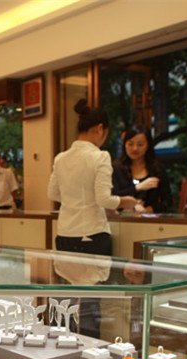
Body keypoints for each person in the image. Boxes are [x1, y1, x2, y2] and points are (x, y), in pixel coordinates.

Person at [48, 99, 137, 256]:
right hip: (92, 234)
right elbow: (103, 200)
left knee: (67, 272)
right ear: (100, 129)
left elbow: (52, 194)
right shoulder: (100, 156)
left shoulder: (60, 158)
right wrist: (126, 201)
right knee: (96, 273)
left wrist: (76, 200)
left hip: (64, 235)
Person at [112, 127, 171, 213]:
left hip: (148, 219)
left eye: (140, 145)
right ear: (124, 145)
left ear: (148, 145)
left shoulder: (157, 169)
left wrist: (147, 210)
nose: (135, 148)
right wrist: (138, 187)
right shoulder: (116, 168)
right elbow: (112, 197)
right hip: (121, 219)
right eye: (130, 144)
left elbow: (168, 201)